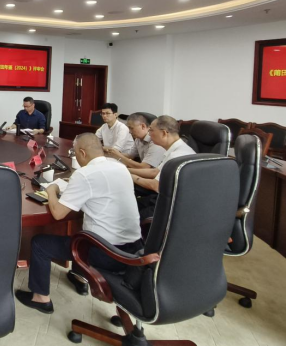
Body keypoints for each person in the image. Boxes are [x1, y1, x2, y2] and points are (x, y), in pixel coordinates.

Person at [15, 133, 142, 314]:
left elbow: (58, 214)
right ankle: (79, 276)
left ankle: (40, 298)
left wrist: (51, 190)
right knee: (82, 231)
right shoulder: (119, 167)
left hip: (106, 252)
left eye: (75, 153)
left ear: (82, 152)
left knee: (40, 244)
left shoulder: (85, 175)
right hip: (134, 250)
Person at [130, 115, 197, 196]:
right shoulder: (176, 148)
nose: (149, 134)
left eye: (151, 130)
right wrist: (126, 170)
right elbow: (155, 172)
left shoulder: (176, 155)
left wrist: (129, 175)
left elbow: (155, 185)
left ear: (164, 133)